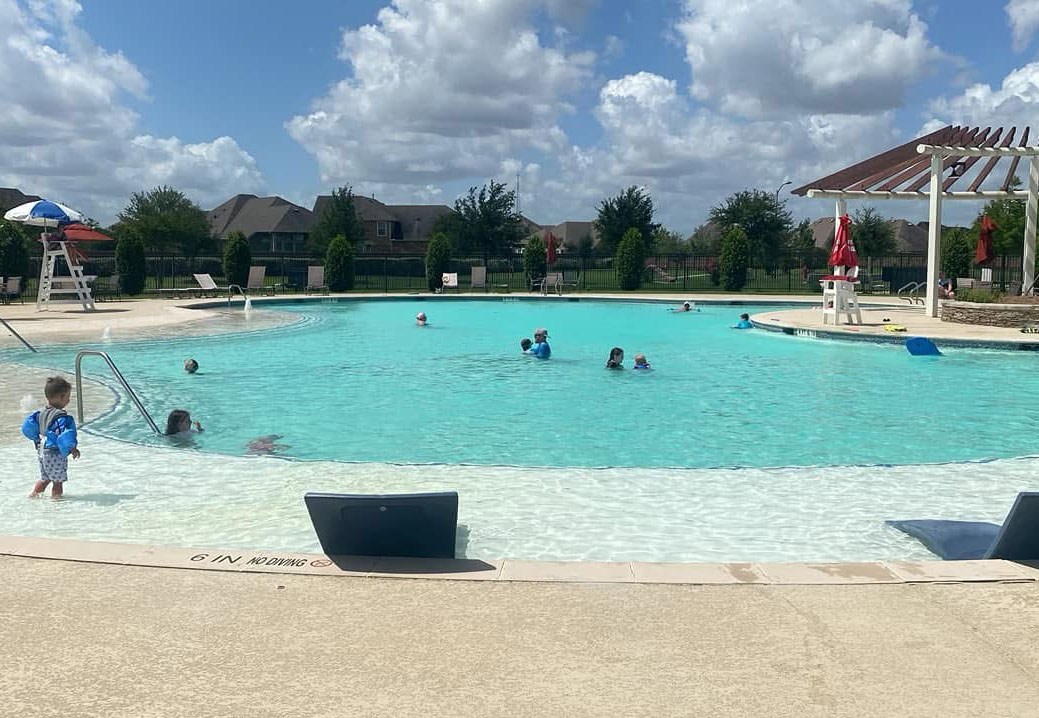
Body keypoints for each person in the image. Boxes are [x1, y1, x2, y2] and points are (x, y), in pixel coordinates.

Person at [23, 376, 80, 499]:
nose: (69, 400)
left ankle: (33, 496)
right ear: (61, 397)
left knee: (46, 478)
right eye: (68, 397)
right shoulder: (61, 417)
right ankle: (56, 504)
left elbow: (30, 428)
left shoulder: (40, 413)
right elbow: (63, 435)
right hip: (55, 453)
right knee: (57, 482)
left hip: (42, 451)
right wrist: (72, 448)